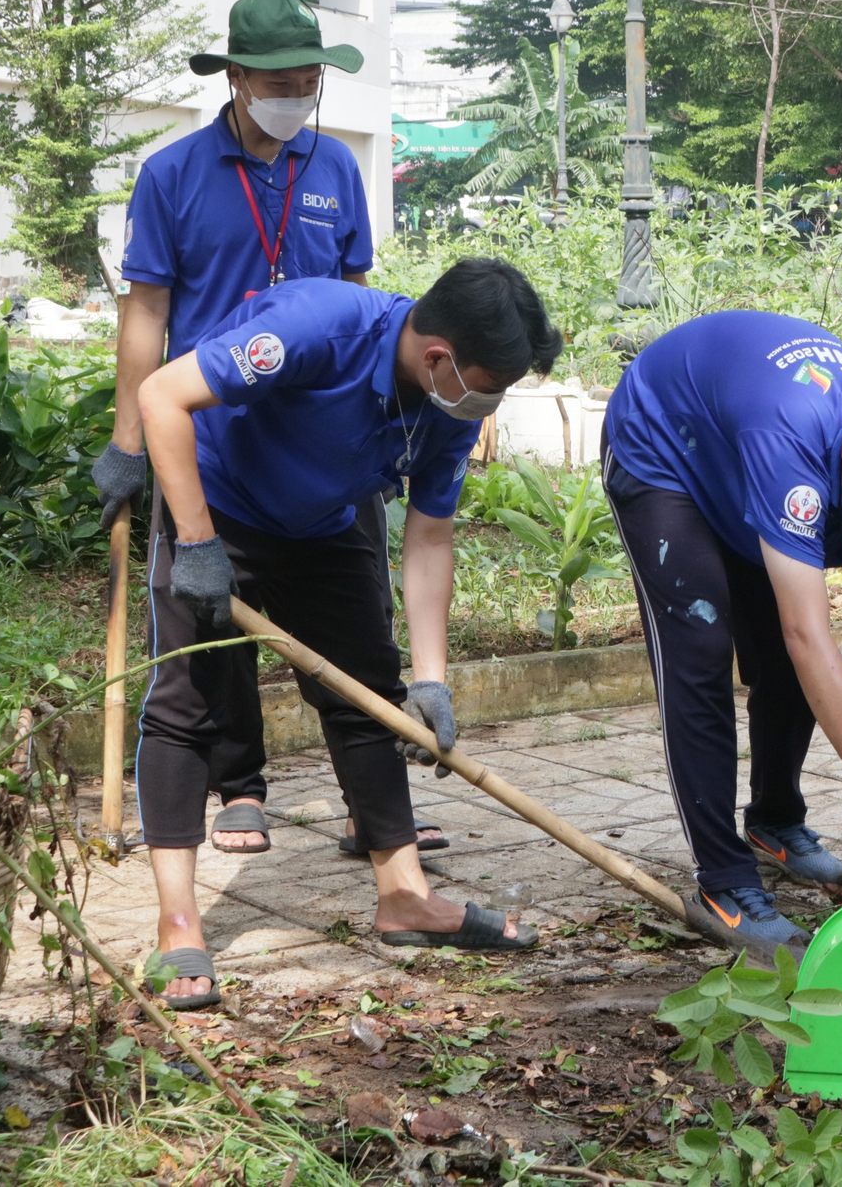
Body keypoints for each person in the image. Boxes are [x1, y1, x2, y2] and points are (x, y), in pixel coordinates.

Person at [135, 259, 562, 1007]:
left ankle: (403, 894)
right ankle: (178, 925)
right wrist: (197, 544)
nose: (489, 403)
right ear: (439, 358)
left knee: (370, 695)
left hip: (327, 525)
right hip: (217, 502)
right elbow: (161, 395)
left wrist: (430, 676)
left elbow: (430, 536)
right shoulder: (315, 328)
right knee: (188, 703)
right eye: (488, 385)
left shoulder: (447, 406)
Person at [91, 0, 443, 856]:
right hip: (208, 434)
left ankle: (373, 812)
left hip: (326, 440)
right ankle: (238, 784)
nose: (297, 93)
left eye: (310, 79)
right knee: (212, 622)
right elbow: (146, 313)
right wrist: (127, 442)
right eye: (281, 78)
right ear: (239, 77)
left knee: (358, 626)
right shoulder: (173, 174)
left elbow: (362, 303)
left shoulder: (332, 170)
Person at [603, 312, 842, 954]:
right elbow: (809, 631)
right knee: (700, 647)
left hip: (736, 457)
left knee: (782, 663)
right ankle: (724, 882)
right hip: (667, 445)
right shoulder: (793, 442)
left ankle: (775, 821)